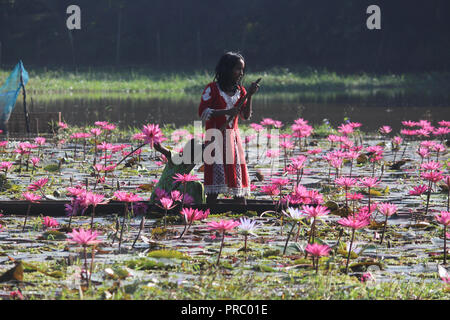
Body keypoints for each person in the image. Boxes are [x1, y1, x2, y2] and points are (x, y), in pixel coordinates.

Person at [198, 51, 260, 205]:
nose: (241, 73)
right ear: (227, 69)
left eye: (242, 69)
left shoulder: (241, 91)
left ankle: (241, 210)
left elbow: (245, 116)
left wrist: (250, 95)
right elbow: (203, 113)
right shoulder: (212, 89)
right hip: (215, 138)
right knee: (214, 186)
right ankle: (210, 210)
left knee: (237, 183)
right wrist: (226, 112)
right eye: (237, 69)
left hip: (233, 140)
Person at [149, 138, 205, 205]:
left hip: (176, 200)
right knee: (196, 185)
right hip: (161, 197)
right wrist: (155, 142)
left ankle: (195, 206)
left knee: (197, 185)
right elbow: (161, 149)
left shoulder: (190, 168)